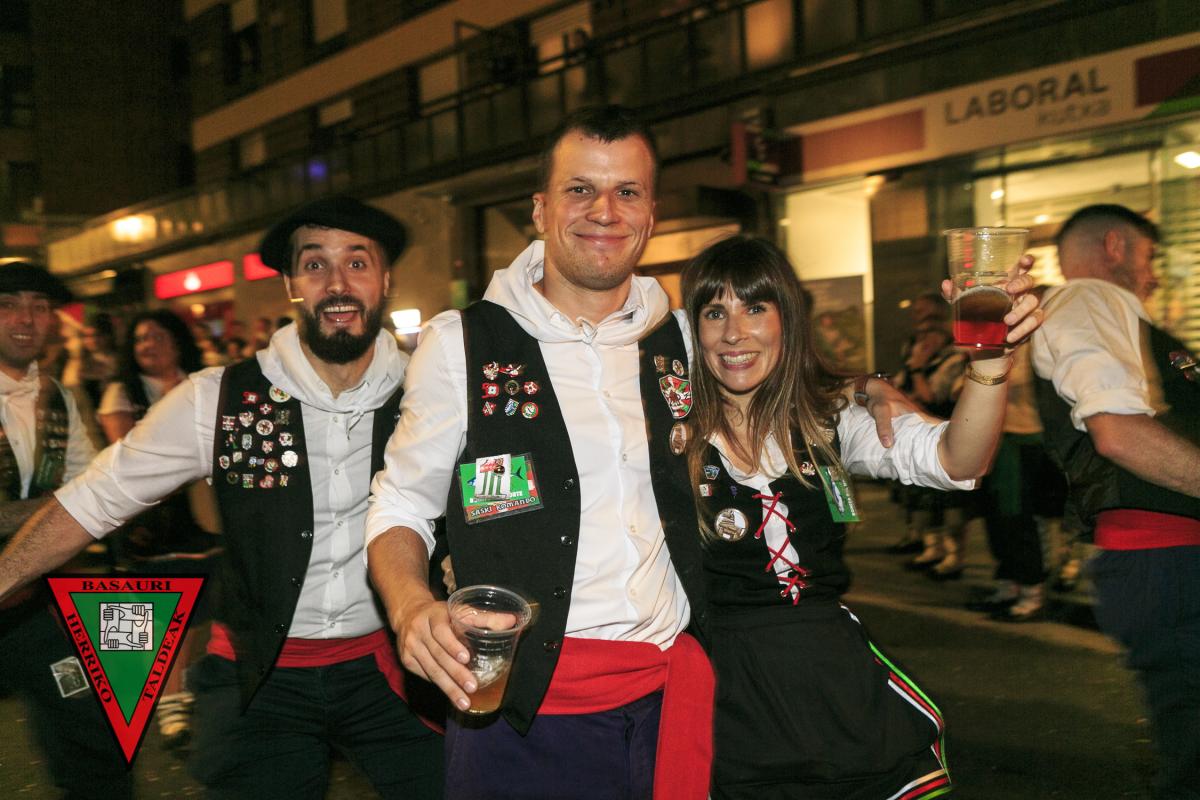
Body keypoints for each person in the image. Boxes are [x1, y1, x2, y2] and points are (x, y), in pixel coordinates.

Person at [364, 105, 909, 799]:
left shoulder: (681, 338)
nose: (604, 210)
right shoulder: (460, 344)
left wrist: (864, 386)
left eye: (627, 192)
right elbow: (401, 503)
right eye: (579, 189)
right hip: (517, 706)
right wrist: (410, 605)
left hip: (670, 700)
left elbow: (772, 366)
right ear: (540, 209)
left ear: (650, 216)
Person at [0, 197, 443, 799]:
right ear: (291, 285)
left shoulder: (431, 391)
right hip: (260, 677)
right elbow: (92, 499)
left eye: (357, 263)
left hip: (395, 666)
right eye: (315, 265)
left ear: (385, 280)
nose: (337, 284)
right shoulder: (216, 398)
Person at [680, 235, 1042, 799]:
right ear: (692, 329)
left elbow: (958, 460)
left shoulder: (829, 420)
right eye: (714, 312)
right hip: (728, 691)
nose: (734, 333)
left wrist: (990, 360)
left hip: (835, 680)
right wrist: (867, 383)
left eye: (755, 308)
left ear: (787, 320)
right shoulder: (667, 433)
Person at [1031, 204, 1200, 799]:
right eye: (1150, 257)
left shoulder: (1108, 312)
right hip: (1170, 558)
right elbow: (1119, 432)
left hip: (1165, 559)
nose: (1154, 275)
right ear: (1115, 246)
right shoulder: (1090, 298)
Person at [0, 261, 132, 799]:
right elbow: (80, 498)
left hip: (36, 601)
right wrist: (63, 506)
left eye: (39, 306)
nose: (26, 319)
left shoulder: (58, 396)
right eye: (8, 305)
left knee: (90, 730)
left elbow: (92, 489)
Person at [97, 308, 219, 749]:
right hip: (148, 519)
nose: (148, 346)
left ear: (178, 342)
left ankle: (177, 693)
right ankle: (165, 702)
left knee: (196, 610)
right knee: (156, 611)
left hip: (202, 514)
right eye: (140, 339)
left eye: (158, 337)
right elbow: (130, 454)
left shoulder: (200, 384)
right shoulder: (122, 392)